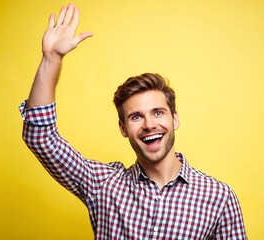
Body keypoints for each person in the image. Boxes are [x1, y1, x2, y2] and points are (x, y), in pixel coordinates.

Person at [20, 3, 247, 239]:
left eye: (158, 112)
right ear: (123, 128)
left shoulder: (218, 198)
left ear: (175, 119)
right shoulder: (103, 185)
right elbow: (41, 138)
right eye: (136, 116)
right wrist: (52, 59)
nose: (149, 124)